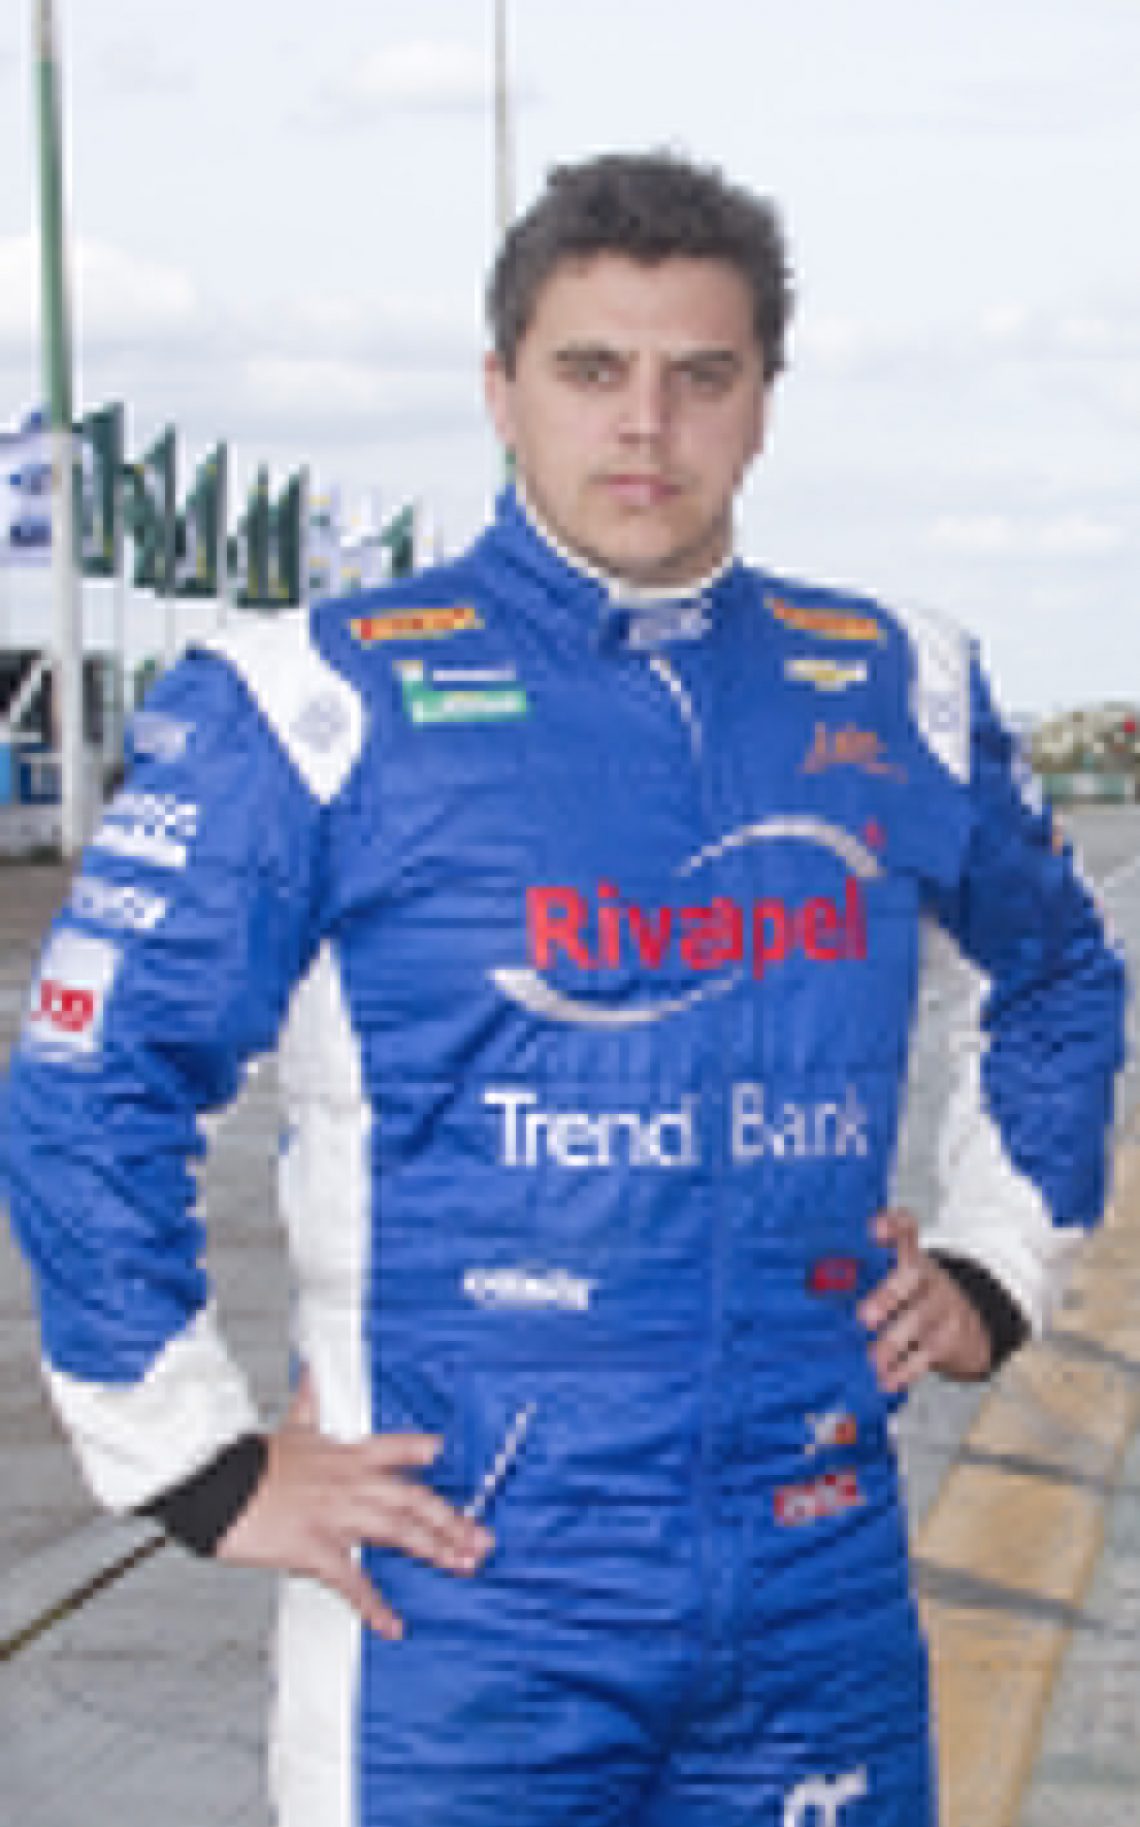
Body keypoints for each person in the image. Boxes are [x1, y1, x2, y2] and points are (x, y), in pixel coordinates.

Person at [0, 152, 1126, 1827]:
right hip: (457, 1609)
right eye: (593, 368)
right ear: (500, 388)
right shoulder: (309, 699)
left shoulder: (902, 681)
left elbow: (1062, 976)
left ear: (765, 402)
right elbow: (93, 1075)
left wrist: (991, 1267)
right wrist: (196, 1462)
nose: (645, 425)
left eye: (702, 375)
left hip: (816, 1590)